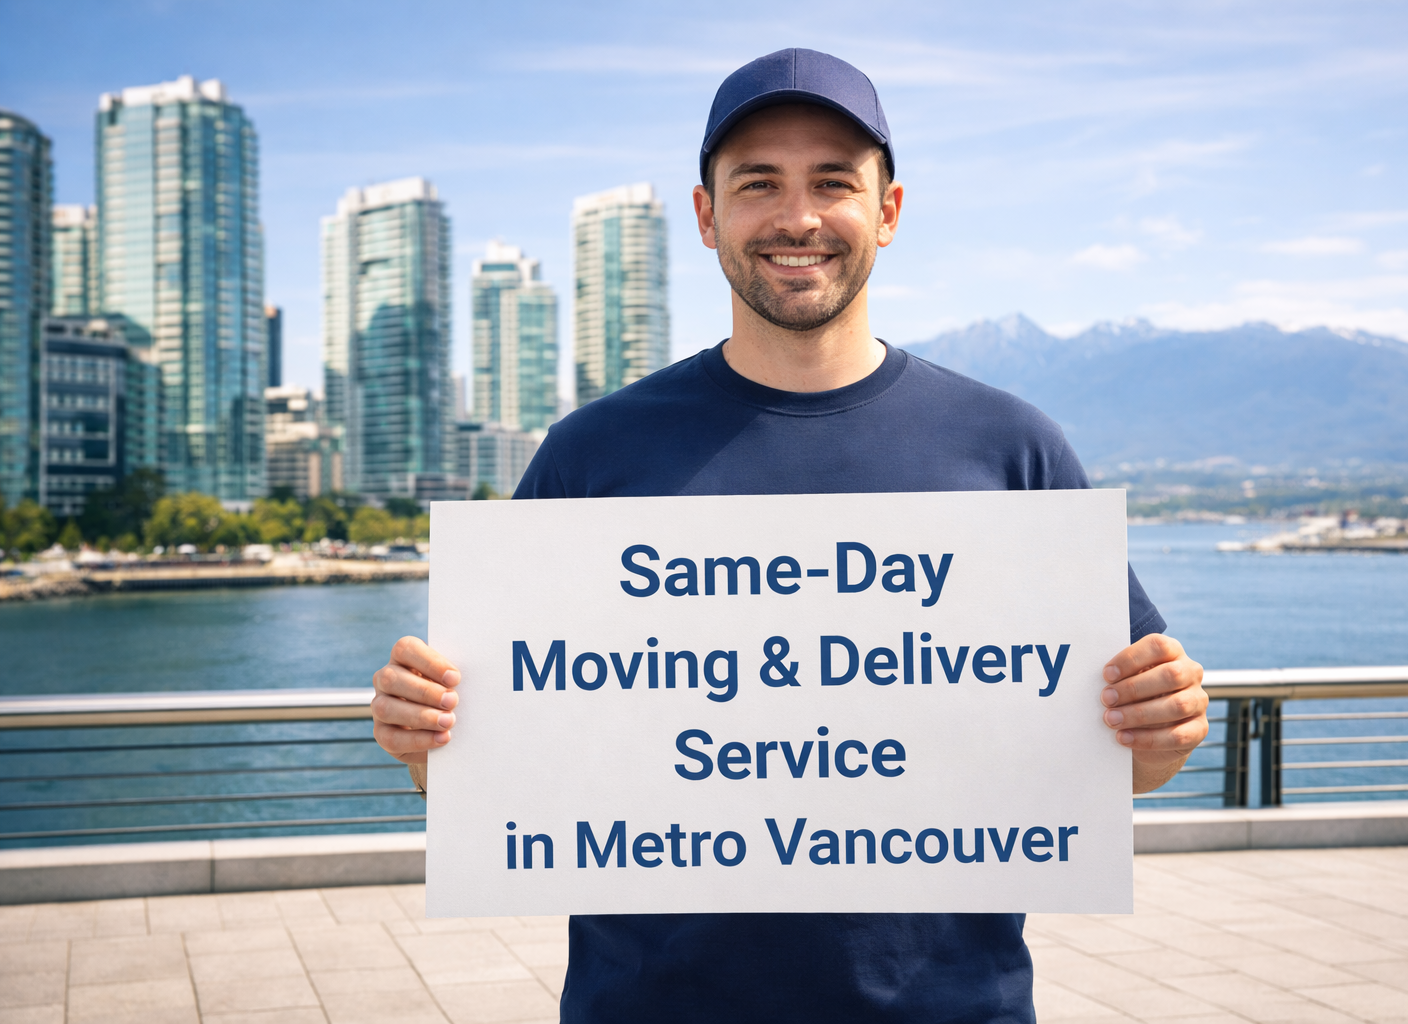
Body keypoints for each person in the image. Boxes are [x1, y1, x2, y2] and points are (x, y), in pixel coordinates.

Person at [372, 47, 1208, 1024]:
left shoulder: (1012, 447)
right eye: (759, 182)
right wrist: (422, 738)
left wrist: (1164, 731)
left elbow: (1127, 759)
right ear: (706, 215)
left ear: (888, 211)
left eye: (833, 182)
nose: (797, 217)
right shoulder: (590, 457)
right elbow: (487, 766)